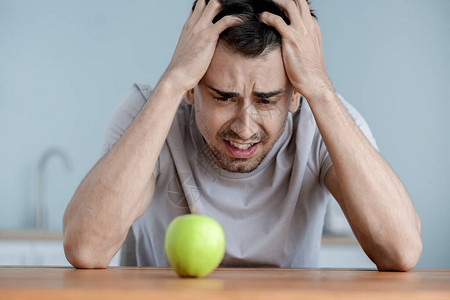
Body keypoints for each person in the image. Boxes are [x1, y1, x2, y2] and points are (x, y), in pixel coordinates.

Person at [63, 0, 422, 271]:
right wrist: (172, 81)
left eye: (267, 100)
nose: (244, 127)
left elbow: (402, 251)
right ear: (193, 88)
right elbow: (86, 249)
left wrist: (321, 89)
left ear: (295, 93)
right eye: (223, 97)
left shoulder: (321, 115)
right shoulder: (152, 108)